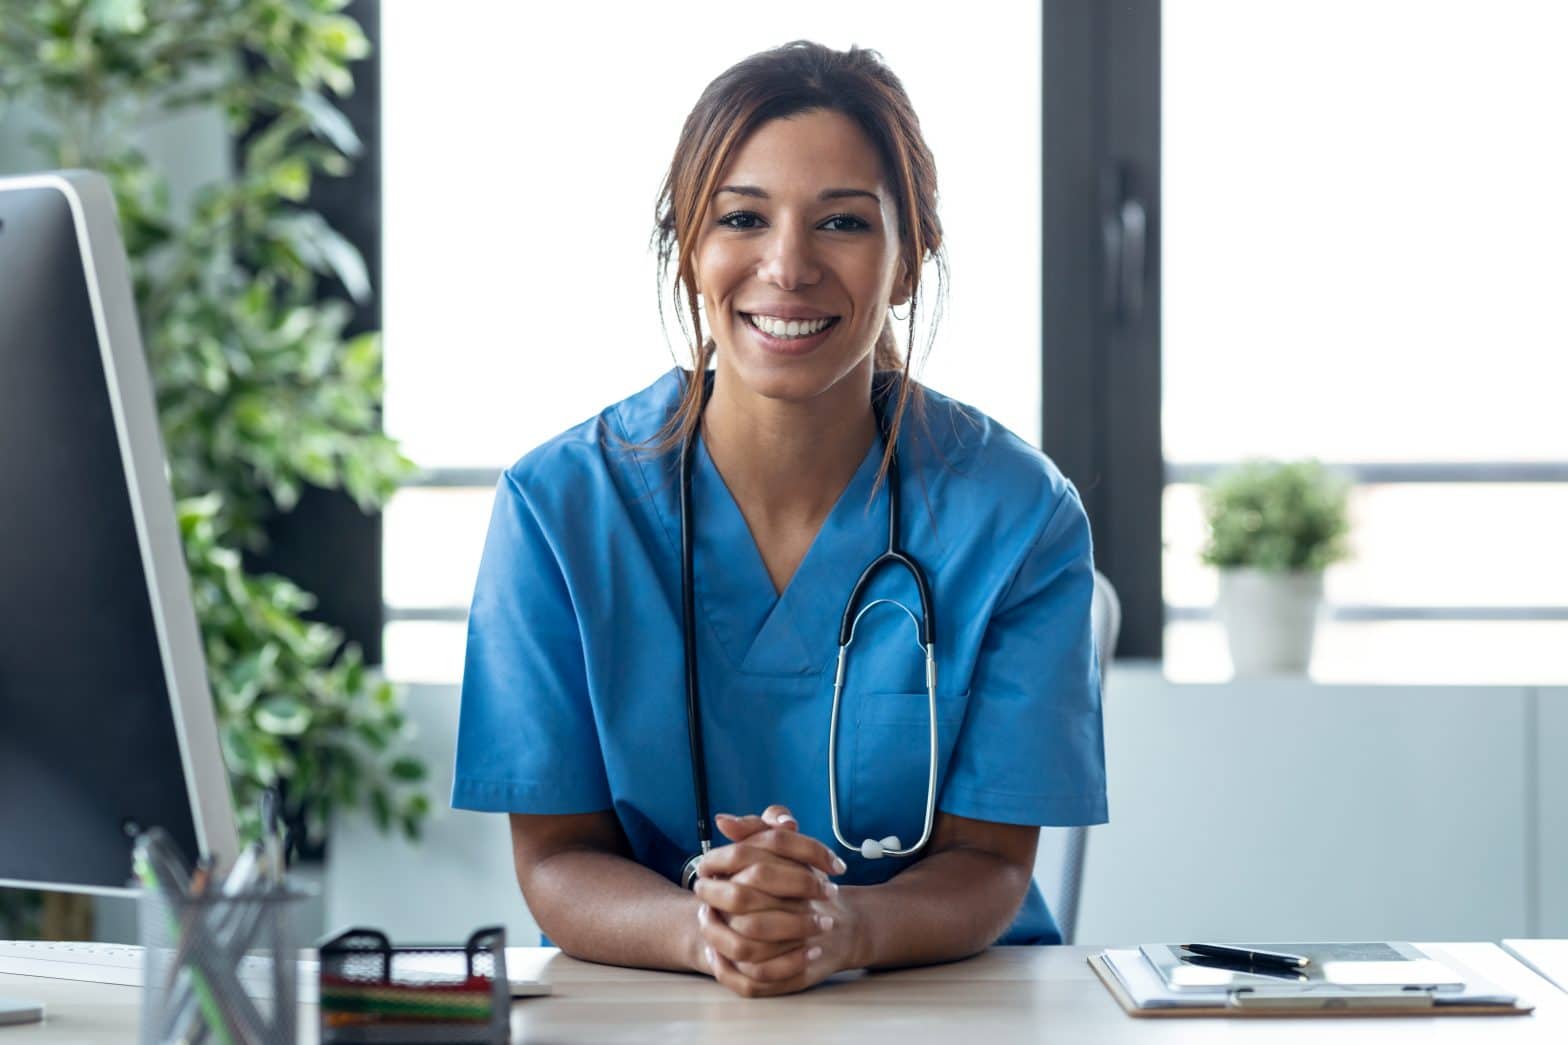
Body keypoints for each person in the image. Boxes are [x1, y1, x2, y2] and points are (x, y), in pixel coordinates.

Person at [452, 40, 1107, 999]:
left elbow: (994, 864)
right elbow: (555, 860)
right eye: (742, 218)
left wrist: (845, 929)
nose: (787, 266)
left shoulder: (1019, 517)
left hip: (946, 1007)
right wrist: (707, 931)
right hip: (660, 1008)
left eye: (842, 221)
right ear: (687, 249)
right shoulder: (558, 510)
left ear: (911, 256)